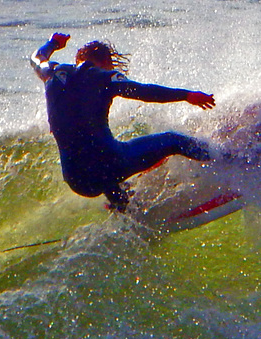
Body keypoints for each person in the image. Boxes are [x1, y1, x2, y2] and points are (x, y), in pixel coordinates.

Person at [30, 33, 217, 212]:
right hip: (111, 163)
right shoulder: (105, 77)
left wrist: (53, 43)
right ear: (105, 62)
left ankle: (124, 208)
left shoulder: (51, 73)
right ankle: (228, 160)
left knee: (99, 167)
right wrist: (186, 95)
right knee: (173, 141)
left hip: (77, 180)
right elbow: (144, 91)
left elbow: (37, 57)